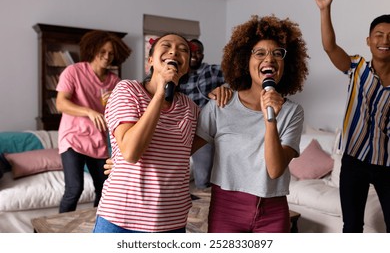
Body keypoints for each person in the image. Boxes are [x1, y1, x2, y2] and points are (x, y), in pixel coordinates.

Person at [194, 15, 309, 233]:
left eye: (278, 53)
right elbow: (182, 149)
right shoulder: (221, 105)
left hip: (273, 210)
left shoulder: (292, 112)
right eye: (260, 53)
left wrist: (271, 120)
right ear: (244, 61)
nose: (270, 59)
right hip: (226, 208)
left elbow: (274, 170)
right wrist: (128, 164)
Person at [93, 33, 200, 233]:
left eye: (183, 49)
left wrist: (221, 94)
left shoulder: (191, 108)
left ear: (187, 65)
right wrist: (160, 93)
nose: (174, 51)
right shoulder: (127, 90)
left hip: (171, 221)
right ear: (150, 60)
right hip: (121, 218)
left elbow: (180, 155)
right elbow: (131, 153)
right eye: (166, 45)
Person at [313, 0, 390, 233]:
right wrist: (326, 10)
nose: (385, 40)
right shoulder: (356, 67)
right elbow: (329, 46)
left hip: (387, 163)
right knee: (352, 226)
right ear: (369, 41)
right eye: (378, 34)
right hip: (354, 161)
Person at [56, 30, 131, 213]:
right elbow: (61, 103)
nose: (107, 57)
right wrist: (88, 111)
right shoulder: (73, 71)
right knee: (74, 189)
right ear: (93, 49)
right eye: (102, 51)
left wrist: (115, 102)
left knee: (104, 189)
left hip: (98, 142)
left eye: (111, 53)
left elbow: (119, 114)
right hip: (73, 138)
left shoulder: (115, 82)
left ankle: (98, 227)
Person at [179, 39, 226, 189]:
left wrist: (226, 90)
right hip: (181, 131)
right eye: (191, 51)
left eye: (198, 52)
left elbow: (238, 76)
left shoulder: (211, 71)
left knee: (203, 180)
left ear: (203, 55)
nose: (195, 55)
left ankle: (205, 209)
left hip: (203, 132)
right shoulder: (178, 74)